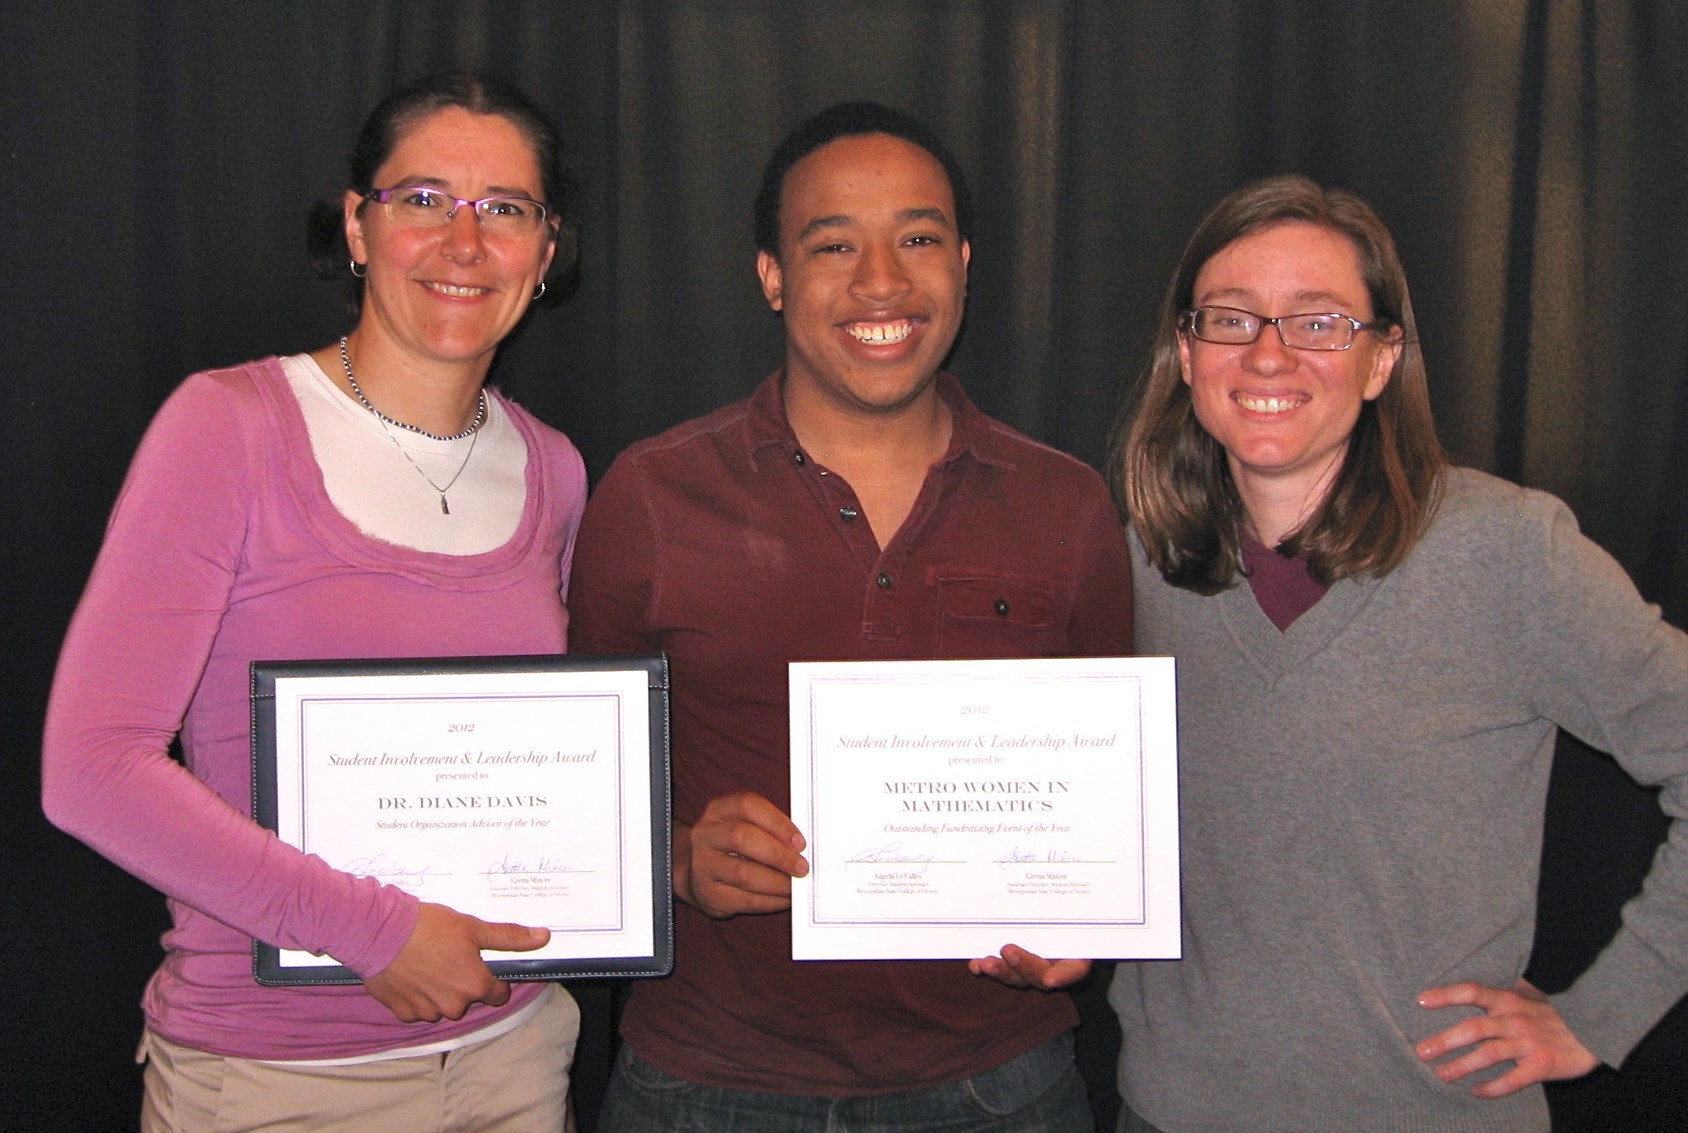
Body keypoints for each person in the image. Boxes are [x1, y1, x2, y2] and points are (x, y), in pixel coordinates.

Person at [568, 101, 1134, 1131]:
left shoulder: (1066, 505)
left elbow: (1106, 798)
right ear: (772, 274)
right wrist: (677, 855)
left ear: (963, 261)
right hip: (700, 1079)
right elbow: (569, 797)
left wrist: (1081, 913)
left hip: (997, 1079)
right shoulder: (650, 495)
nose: (881, 280)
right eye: (833, 244)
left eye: (917, 238)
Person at [42, 73, 587, 1131]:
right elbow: (90, 769)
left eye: (504, 209)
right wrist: (373, 930)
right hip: (273, 1083)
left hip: (513, 1058)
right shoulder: (228, 428)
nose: (462, 242)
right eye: (423, 199)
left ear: (546, 248)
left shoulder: (555, 470)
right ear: (357, 223)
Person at [1107, 174, 1688, 1133]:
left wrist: (1601, 1017)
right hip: (1172, 1115)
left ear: (1382, 360)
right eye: (1231, 319)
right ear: (1186, 350)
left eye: (1320, 322)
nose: (1268, 353)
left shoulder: (1509, 554)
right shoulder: (1134, 567)